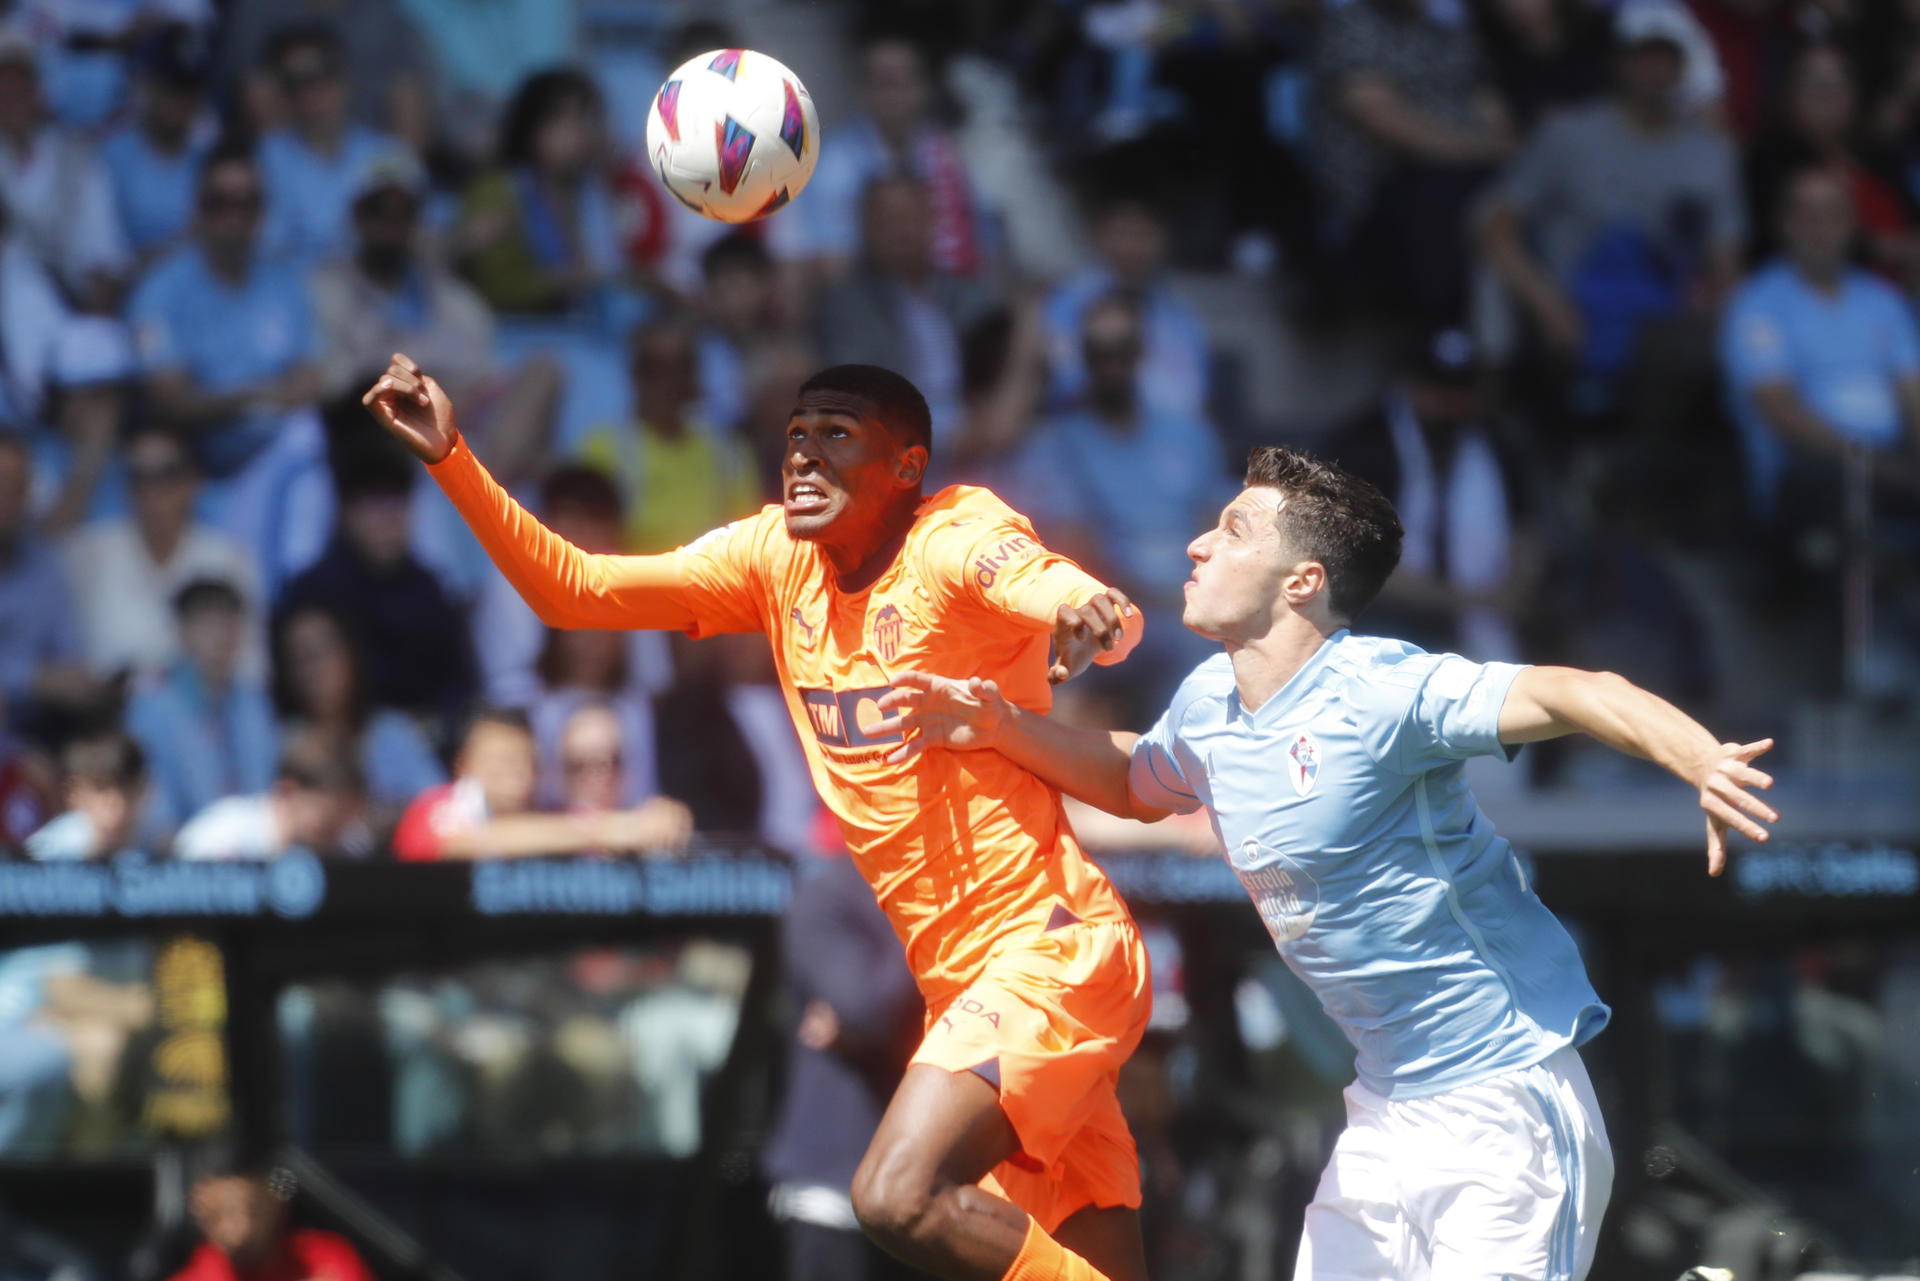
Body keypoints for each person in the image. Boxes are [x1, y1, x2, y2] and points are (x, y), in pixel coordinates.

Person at [879, 444, 1784, 1281]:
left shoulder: (1383, 690)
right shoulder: (1205, 703)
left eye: (1232, 530)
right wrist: (1002, 725)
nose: (1198, 543)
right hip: (1385, 1114)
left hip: (1504, 1104)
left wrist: (1701, 758)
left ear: (1303, 580)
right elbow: (1134, 777)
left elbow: (1579, 690)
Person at [366, 352, 1154, 1280]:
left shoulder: (953, 535)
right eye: (795, 437)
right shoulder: (774, 559)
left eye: (836, 436)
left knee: (896, 1195)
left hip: (1051, 950)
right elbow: (572, 591)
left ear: (906, 467)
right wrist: (452, 454)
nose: (803, 459)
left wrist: (1085, 608)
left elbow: (1049, 583)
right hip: (963, 980)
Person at [1478, 3, 1746, 390]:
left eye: (1666, 59)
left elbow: (1727, 260)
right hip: (1574, 315)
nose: (1655, 71)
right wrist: (1546, 304)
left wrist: (1719, 305)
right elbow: (1495, 226)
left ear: (1683, 67)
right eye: (1643, 57)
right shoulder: (1567, 135)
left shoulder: (1713, 154)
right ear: (1619, 62)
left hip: (1668, 325)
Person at [1008, 293, 1227, 715]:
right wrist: (1174, 601)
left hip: (1192, 599)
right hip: (1112, 611)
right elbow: (1079, 556)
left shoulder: (1189, 433)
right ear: (1082, 356)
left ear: (1141, 352)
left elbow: (1218, 531)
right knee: (1189, 649)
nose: (1112, 363)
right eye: (1099, 351)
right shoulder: (1054, 442)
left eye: (1122, 349)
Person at [127, 144, 328, 586]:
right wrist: (259, 395)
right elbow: (170, 399)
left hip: (274, 460)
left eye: (247, 204)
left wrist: (245, 395)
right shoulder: (163, 288)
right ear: (198, 209)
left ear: (262, 211)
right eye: (220, 203)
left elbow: (310, 379)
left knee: (315, 438)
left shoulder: (283, 279)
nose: (234, 217)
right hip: (201, 467)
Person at [310, 146, 560, 490]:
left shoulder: (453, 298)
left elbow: (482, 376)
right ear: (356, 216)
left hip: (460, 422)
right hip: (385, 432)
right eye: (378, 211)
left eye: (403, 212)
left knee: (544, 370)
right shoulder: (327, 289)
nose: (391, 224)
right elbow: (339, 386)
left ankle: (485, 490)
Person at [763, 834, 924, 1281]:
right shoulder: (827, 894)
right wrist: (920, 929)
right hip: (833, 1181)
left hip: (925, 1179)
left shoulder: (950, 891)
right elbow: (867, 1009)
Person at [1328, 327, 1536, 662]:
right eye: (1436, 390)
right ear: (1409, 385)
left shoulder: (1500, 445)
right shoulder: (1364, 444)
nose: (1448, 404)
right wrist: (1467, 599)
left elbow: (1525, 532)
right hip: (1383, 625)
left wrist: (1516, 587)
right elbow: (1354, 559)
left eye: (1460, 391)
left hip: (1488, 623)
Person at [1311, 0, 1514, 323]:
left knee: (1514, 197)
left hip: (1463, 178)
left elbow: (1492, 111)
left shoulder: (1451, 31)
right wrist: (1474, 151)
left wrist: (1491, 151)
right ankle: (1441, 336)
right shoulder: (1353, 24)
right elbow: (1382, 119)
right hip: (1377, 197)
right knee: (1439, 190)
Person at [274, 443, 478, 728]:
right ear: (345, 513)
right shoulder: (313, 591)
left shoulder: (429, 588)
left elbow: (458, 683)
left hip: (424, 737)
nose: (387, 521)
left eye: (396, 506)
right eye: (374, 508)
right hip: (337, 734)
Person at [767, 33, 989, 282]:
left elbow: (980, 243)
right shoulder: (834, 164)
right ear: (863, 90)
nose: (895, 95)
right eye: (883, 83)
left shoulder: (946, 150)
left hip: (944, 288)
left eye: (904, 81)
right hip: (869, 295)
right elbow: (835, 267)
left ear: (924, 87)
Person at [64, 426, 264, 683]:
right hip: (110, 717)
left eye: (167, 474)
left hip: (206, 717)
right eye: (140, 477)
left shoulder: (230, 559)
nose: (153, 489)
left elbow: (252, 669)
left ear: (193, 482)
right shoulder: (90, 554)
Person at [813, 175, 996, 449]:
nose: (902, 230)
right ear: (866, 228)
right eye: (889, 219)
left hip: (983, 424)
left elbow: (998, 362)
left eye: (911, 216)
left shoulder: (965, 290)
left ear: (932, 219)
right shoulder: (845, 304)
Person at [390, 707, 689, 861]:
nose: (517, 773)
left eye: (526, 760)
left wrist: (664, 816)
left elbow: (615, 825)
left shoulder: (552, 817)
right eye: (502, 760)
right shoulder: (431, 808)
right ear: (464, 765)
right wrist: (616, 829)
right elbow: (465, 842)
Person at [578, 319, 759, 553]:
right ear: (636, 374)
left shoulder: (730, 453)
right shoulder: (601, 450)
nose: (670, 382)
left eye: (681, 368)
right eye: (655, 368)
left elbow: (748, 543)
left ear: (695, 375)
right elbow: (587, 543)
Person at [457, 69, 623, 318]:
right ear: (533, 126)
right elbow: (493, 289)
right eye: (568, 119)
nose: (583, 132)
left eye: (588, 120)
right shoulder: (497, 191)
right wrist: (567, 280)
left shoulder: (594, 193)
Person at [270, 602, 444, 831]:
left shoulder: (391, 731)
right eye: (299, 657)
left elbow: (441, 807)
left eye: (323, 650)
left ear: (351, 653)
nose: (313, 668)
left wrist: (385, 818)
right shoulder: (281, 739)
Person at [125, 578, 279, 833]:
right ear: (182, 630)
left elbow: (267, 783)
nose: (221, 634)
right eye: (208, 623)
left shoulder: (254, 699)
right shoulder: (151, 704)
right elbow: (150, 798)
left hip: (256, 850)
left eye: (229, 622)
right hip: (182, 856)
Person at [256, 26, 412, 268]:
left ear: (345, 79)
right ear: (282, 92)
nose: (308, 92)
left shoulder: (388, 153)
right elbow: (269, 252)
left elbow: (423, 234)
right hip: (299, 294)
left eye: (319, 76)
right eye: (294, 83)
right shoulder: (265, 159)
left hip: (377, 293)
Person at [1042, 195, 1208, 422]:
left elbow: (1193, 395)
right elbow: (1063, 385)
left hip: (1169, 443)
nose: (1131, 246)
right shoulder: (1065, 304)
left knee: (1267, 456)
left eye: (1142, 234)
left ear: (1161, 239)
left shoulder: (1181, 316)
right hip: (1085, 436)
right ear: (1101, 235)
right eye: (1123, 233)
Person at [0, 29, 130, 310]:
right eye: (2, 83)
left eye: (19, 81)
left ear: (39, 89)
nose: (9, 94)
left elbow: (103, 262)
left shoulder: (79, 161)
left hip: (65, 310)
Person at [101, 24, 217, 266]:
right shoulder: (110, 158)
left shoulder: (210, 156)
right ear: (146, 84)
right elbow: (107, 268)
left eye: (189, 90)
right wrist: (182, 248)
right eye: (171, 88)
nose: (180, 101)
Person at [0, 432, 89, 735]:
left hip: (39, 730)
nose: (8, 497)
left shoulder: (44, 562)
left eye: (17, 485)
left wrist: (79, 682)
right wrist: (33, 680)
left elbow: (68, 651)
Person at [171, 732, 368, 861]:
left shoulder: (350, 845)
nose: (333, 834)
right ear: (286, 793)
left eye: (342, 820)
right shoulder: (219, 837)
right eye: (326, 819)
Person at [167, 1163, 374, 1281]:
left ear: (275, 1206)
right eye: (219, 1216)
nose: (240, 1230)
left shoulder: (325, 1260)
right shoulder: (197, 1277)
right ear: (200, 1214)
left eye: (251, 1212)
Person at [24, 732, 146, 862]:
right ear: (73, 793)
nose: (116, 801)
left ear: (143, 789)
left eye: (126, 787)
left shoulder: (157, 845)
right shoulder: (44, 855)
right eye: (101, 788)